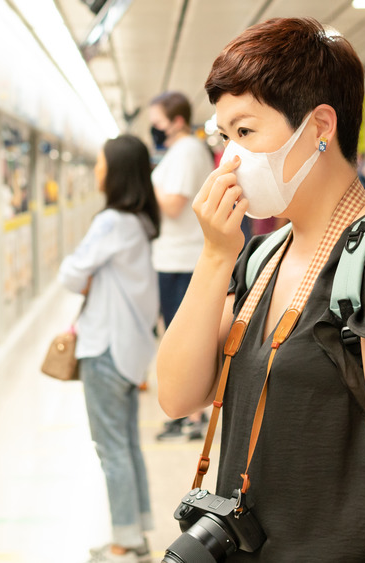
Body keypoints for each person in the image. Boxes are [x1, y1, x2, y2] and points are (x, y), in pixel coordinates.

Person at [157, 18, 365, 561]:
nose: (230, 160)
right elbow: (175, 394)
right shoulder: (264, 253)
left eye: (246, 132)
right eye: (224, 137)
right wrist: (216, 255)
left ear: (319, 126)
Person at [58, 135, 161, 563]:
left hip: (104, 349)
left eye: (101, 163)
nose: (97, 170)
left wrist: (84, 273)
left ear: (115, 171)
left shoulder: (111, 223)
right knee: (127, 444)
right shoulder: (140, 222)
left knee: (110, 447)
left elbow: (70, 274)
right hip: (132, 351)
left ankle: (123, 541)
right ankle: (134, 528)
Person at [148, 91, 215, 441]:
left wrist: (143, 187)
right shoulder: (178, 151)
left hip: (183, 259)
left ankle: (192, 415)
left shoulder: (188, 151)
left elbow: (173, 205)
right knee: (174, 337)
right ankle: (186, 411)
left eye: (157, 122)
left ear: (176, 121)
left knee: (184, 339)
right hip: (172, 257)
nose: (153, 129)